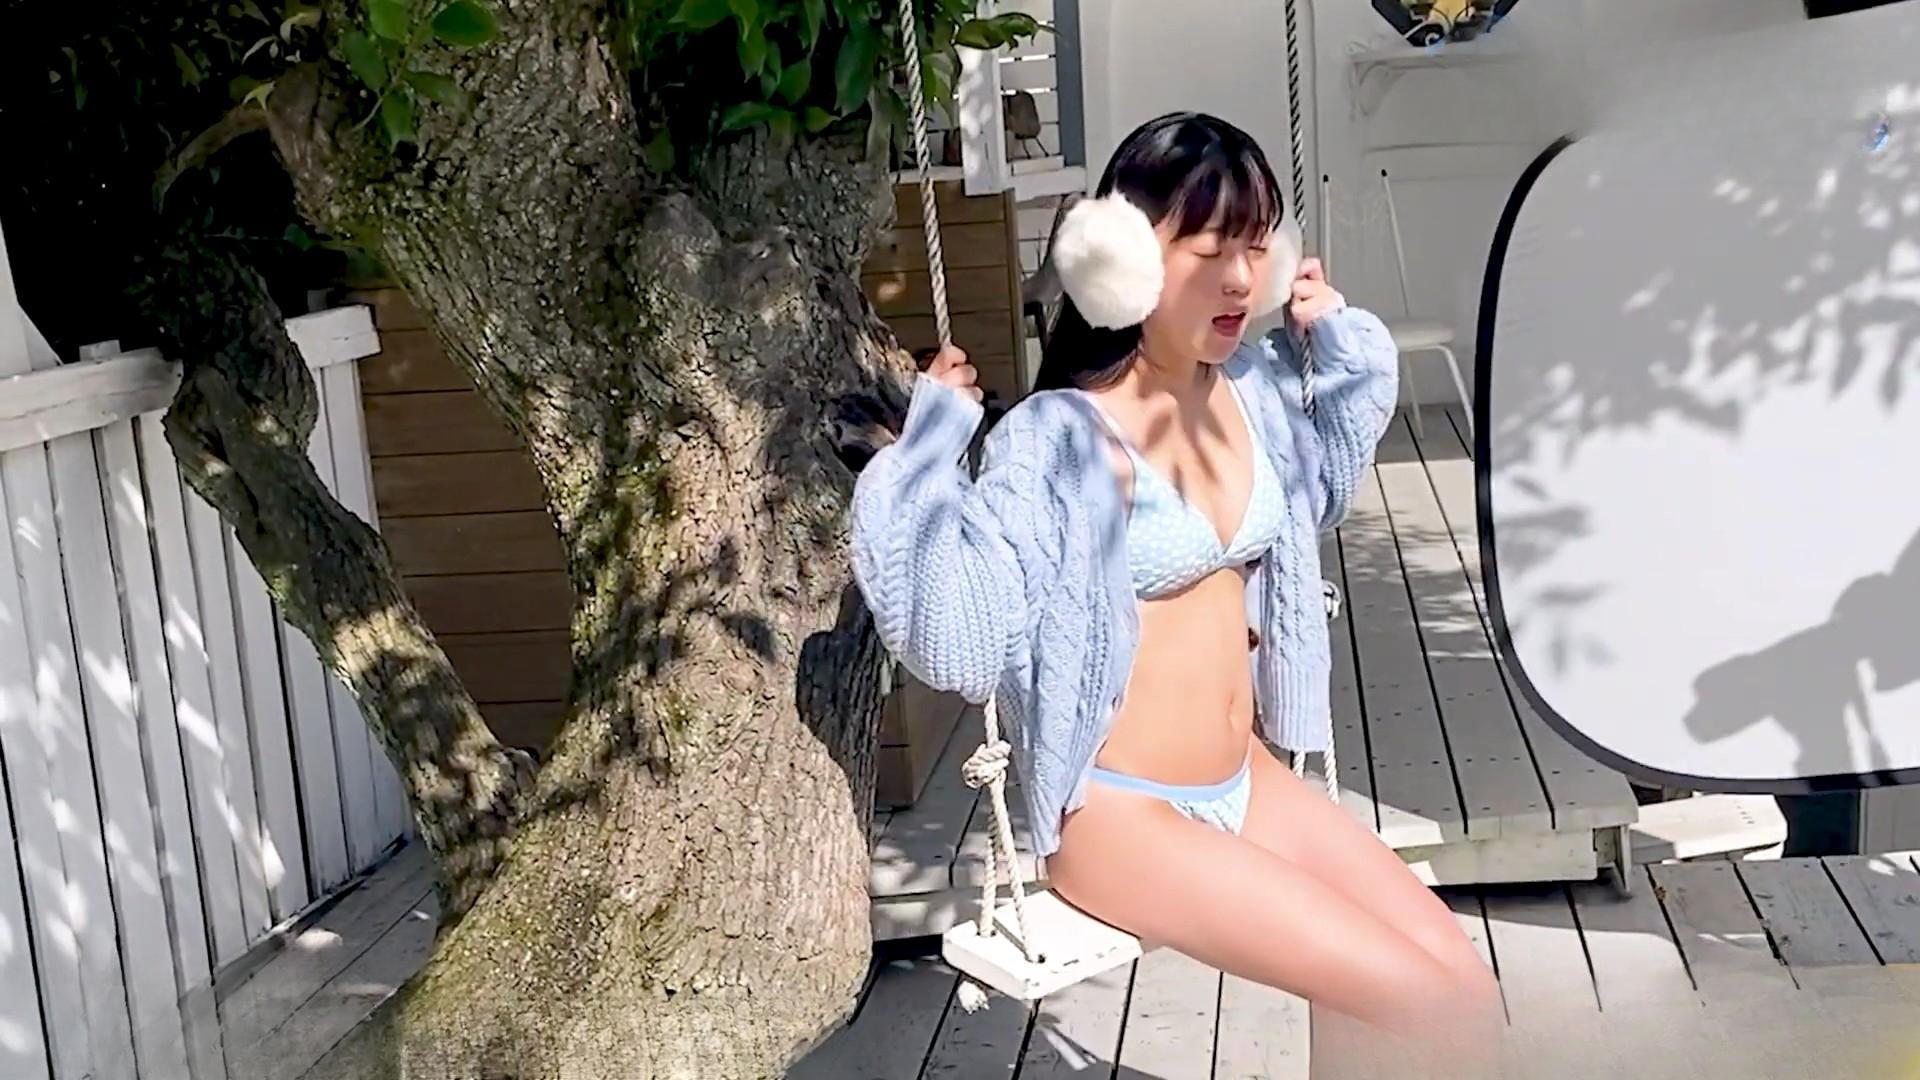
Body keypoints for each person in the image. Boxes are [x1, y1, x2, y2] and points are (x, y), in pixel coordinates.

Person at [849, 111, 1501, 1049]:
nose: (1240, 278)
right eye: (1208, 248)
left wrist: (1333, 342)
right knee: (1424, 1006)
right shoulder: (1059, 441)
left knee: (1463, 988)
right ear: (1121, 259)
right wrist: (931, 448)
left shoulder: (1257, 393)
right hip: (1121, 815)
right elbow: (959, 639)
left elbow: (1325, 482)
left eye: (1257, 245)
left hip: (1248, 778)